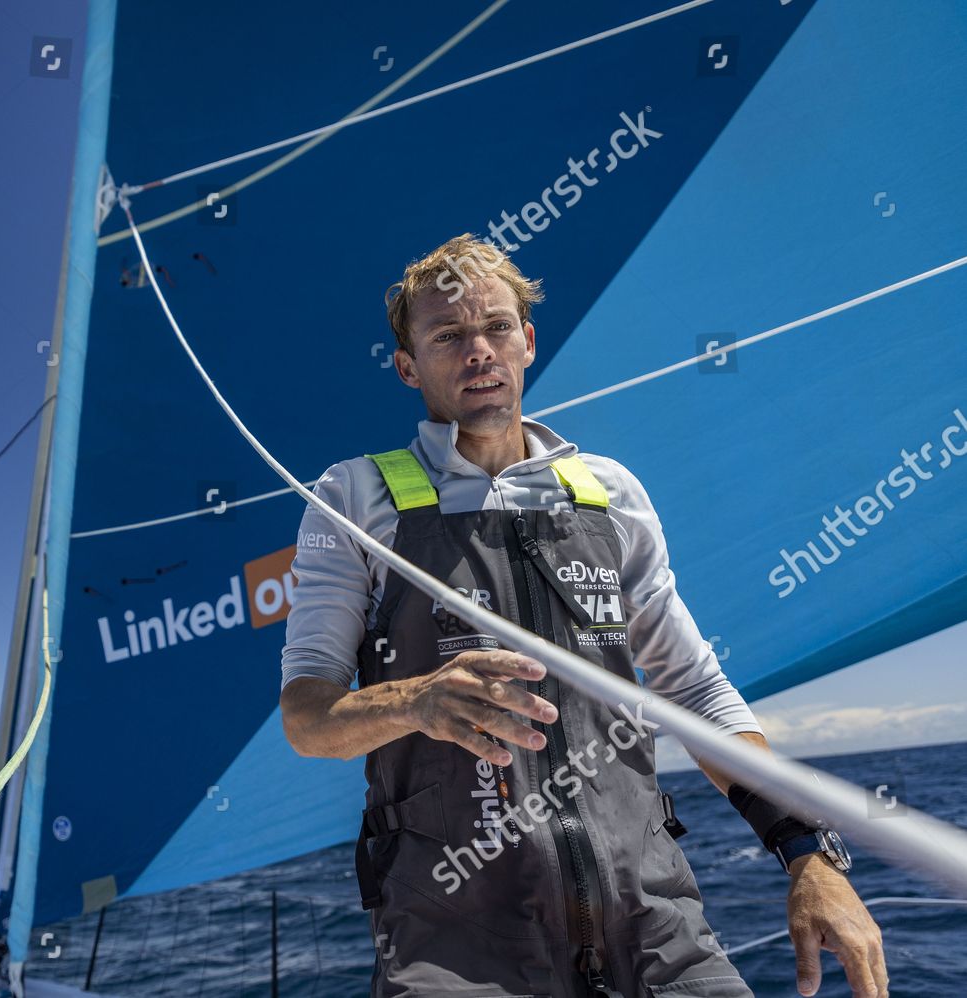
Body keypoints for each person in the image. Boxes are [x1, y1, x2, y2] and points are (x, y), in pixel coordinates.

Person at [278, 233, 887, 998]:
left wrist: (808, 854)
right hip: (456, 948)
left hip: (655, 926)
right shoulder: (355, 500)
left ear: (527, 340)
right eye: (448, 336)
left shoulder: (607, 494)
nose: (479, 351)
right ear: (408, 367)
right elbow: (308, 718)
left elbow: (695, 693)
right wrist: (416, 698)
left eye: (496, 327)